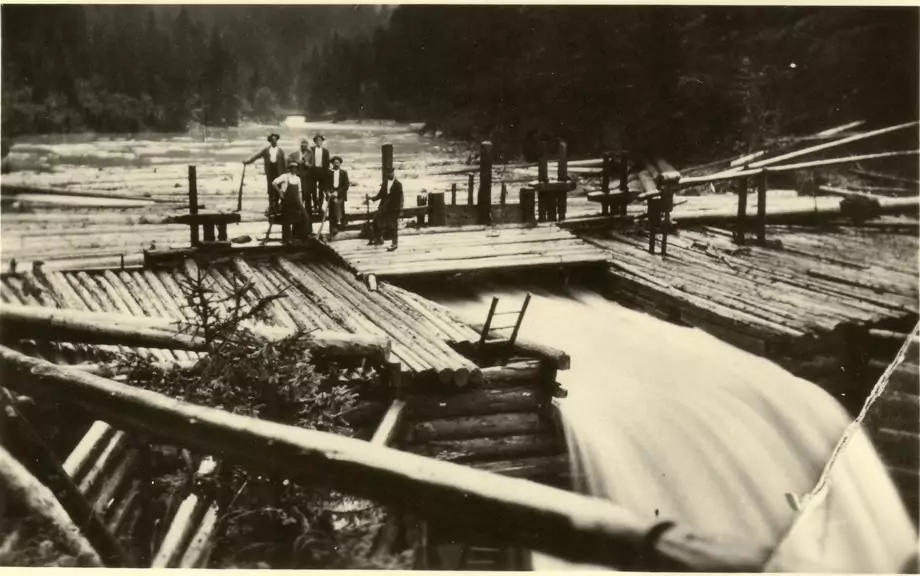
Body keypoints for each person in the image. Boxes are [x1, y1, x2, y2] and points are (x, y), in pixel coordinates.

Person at [244, 133, 286, 214]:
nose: (274, 141)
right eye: (272, 140)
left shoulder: (281, 151)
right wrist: (248, 161)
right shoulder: (266, 150)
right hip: (270, 171)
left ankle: (276, 206)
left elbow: (285, 163)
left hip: (278, 172)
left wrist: (286, 173)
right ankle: (271, 207)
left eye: (275, 140)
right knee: (270, 189)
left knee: (277, 188)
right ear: (270, 141)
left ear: (277, 140)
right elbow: (257, 156)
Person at [271, 160, 311, 242]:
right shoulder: (285, 176)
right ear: (289, 169)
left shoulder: (298, 178)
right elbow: (274, 183)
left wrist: (301, 202)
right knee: (287, 220)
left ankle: (300, 236)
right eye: (292, 168)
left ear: (297, 169)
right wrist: (280, 192)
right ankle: (286, 239)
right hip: (287, 202)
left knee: (305, 217)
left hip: (296, 202)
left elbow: (299, 191)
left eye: (295, 168)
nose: (294, 170)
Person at [367, 168, 403, 251]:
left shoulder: (398, 184)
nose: (389, 174)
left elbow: (401, 198)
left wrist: (400, 209)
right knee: (376, 221)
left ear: (394, 173)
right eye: (388, 173)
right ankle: (379, 239)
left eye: (391, 173)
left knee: (393, 226)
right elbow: (380, 194)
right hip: (384, 206)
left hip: (393, 208)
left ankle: (395, 243)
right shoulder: (385, 183)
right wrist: (371, 199)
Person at [289, 138, 314, 222]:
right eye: (302, 145)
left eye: (305, 145)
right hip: (297, 175)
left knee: (307, 195)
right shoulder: (295, 154)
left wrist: (308, 164)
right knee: (298, 195)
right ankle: (297, 213)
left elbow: (312, 166)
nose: (304, 146)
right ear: (300, 146)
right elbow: (289, 159)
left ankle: (308, 215)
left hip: (307, 177)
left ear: (307, 146)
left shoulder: (310, 154)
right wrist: (296, 162)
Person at [308, 133, 330, 213]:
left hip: (322, 171)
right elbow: (307, 159)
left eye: (320, 140)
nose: (318, 142)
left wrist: (327, 173)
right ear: (314, 141)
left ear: (322, 141)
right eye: (317, 140)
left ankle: (320, 206)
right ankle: (315, 205)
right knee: (313, 190)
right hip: (313, 171)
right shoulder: (311, 149)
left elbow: (327, 163)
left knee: (321, 190)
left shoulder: (325, 151)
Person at [327, 155, 350, 228]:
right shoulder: (328, 172)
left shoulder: (343, 172)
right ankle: (333, 227)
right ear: (332, 164)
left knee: (340, 206)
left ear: (340, 164)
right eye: (335, 163)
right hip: (331, 192)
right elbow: (325, 184)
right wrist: (328, 192)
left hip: (340, 193)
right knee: (331, 211)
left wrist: (338, 192)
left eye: (338, 163)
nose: (336, 164)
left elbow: (346, 185)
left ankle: (341, 223)